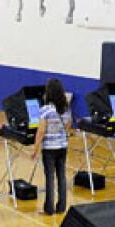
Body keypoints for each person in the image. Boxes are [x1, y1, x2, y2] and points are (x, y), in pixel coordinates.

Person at [32, 78, 71, 215]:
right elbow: (68, 126)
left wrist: (35, 148)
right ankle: (61, 207)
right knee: (61, 176)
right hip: (62, 147)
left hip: (49, 148)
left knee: (50, 177)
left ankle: (49, 208)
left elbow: (41, 131)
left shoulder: (45, 109)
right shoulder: (65, 108)